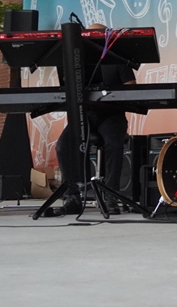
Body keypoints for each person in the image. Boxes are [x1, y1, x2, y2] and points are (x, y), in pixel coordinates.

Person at [57, 23, 136, 214]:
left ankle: (111, 194)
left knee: (114, 143)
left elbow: (132, 88)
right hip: (84, 115)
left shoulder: (117, 60)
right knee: (62, 146)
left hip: (111, 115)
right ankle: (72, 195)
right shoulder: (79, 61)